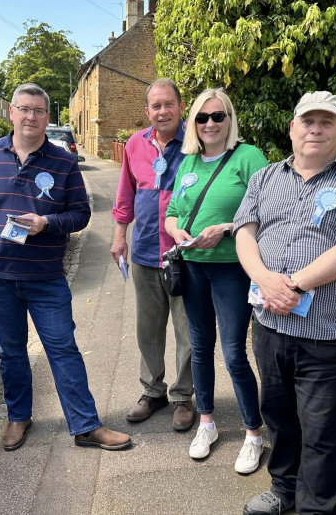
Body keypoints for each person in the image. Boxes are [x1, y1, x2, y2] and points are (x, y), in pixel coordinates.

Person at [0, 83, 131, 452]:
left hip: (45, 279)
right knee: (11, 353)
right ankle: (18, 417)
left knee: (63, 349)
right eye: (24, 109)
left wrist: (46, 223)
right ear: (11, 113)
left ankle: (85, 426)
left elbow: (82, 213)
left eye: (38, 111)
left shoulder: (63, 161)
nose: (31, 117)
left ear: (47, 117)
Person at [235, 91, 336, 515]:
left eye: (325, 122)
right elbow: (245, 232)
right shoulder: (265, 178)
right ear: (293, 128)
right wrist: (265, 279)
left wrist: (293, 285)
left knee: (321, 428)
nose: (315, 129)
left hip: (323, 332)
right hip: (267, 325)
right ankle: (284, 490)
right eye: (308, 121)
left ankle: (317, 508)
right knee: (278, 417)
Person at [164, 88, 267, 472]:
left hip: (231, 267)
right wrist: (176, 231)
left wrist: (224, 228)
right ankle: (206, 423)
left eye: (218, 116)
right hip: (192, 265)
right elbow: (173, 210)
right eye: (202, 118)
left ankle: (253, 433)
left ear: (229, 120)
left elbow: (267, 209)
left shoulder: (248, 157)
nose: (210, 124)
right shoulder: (189, 161)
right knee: (200, 347)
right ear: (193, 123)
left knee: (234, 353)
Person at [111, 78, 196, 431]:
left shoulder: (196, 144)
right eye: (156, 106)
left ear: (181, 107)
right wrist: (120, 236)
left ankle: (182, 397)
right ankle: (152, 391)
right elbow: (125, 195)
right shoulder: (135, 144)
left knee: (187, 331)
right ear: (147, 112)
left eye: (169, 104)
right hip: (145, 253)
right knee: (148, 329)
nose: (163, 111)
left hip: (185, 254)